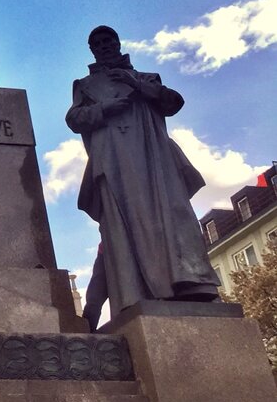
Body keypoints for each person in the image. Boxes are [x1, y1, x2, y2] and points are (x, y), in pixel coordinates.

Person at [66, 25, 220, 320]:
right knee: (122, 226)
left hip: (153, 161)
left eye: (107, 40)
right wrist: (107, 108)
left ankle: (187, 282)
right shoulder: (84, 85)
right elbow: (74, 119)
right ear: (91, 49)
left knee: (170, 217)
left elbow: (173, 103)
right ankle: (136, 292)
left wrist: (135, 85)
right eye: (96, 43)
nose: (103, 46)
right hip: (113, 161)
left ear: (118, 42)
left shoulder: (146, 78)